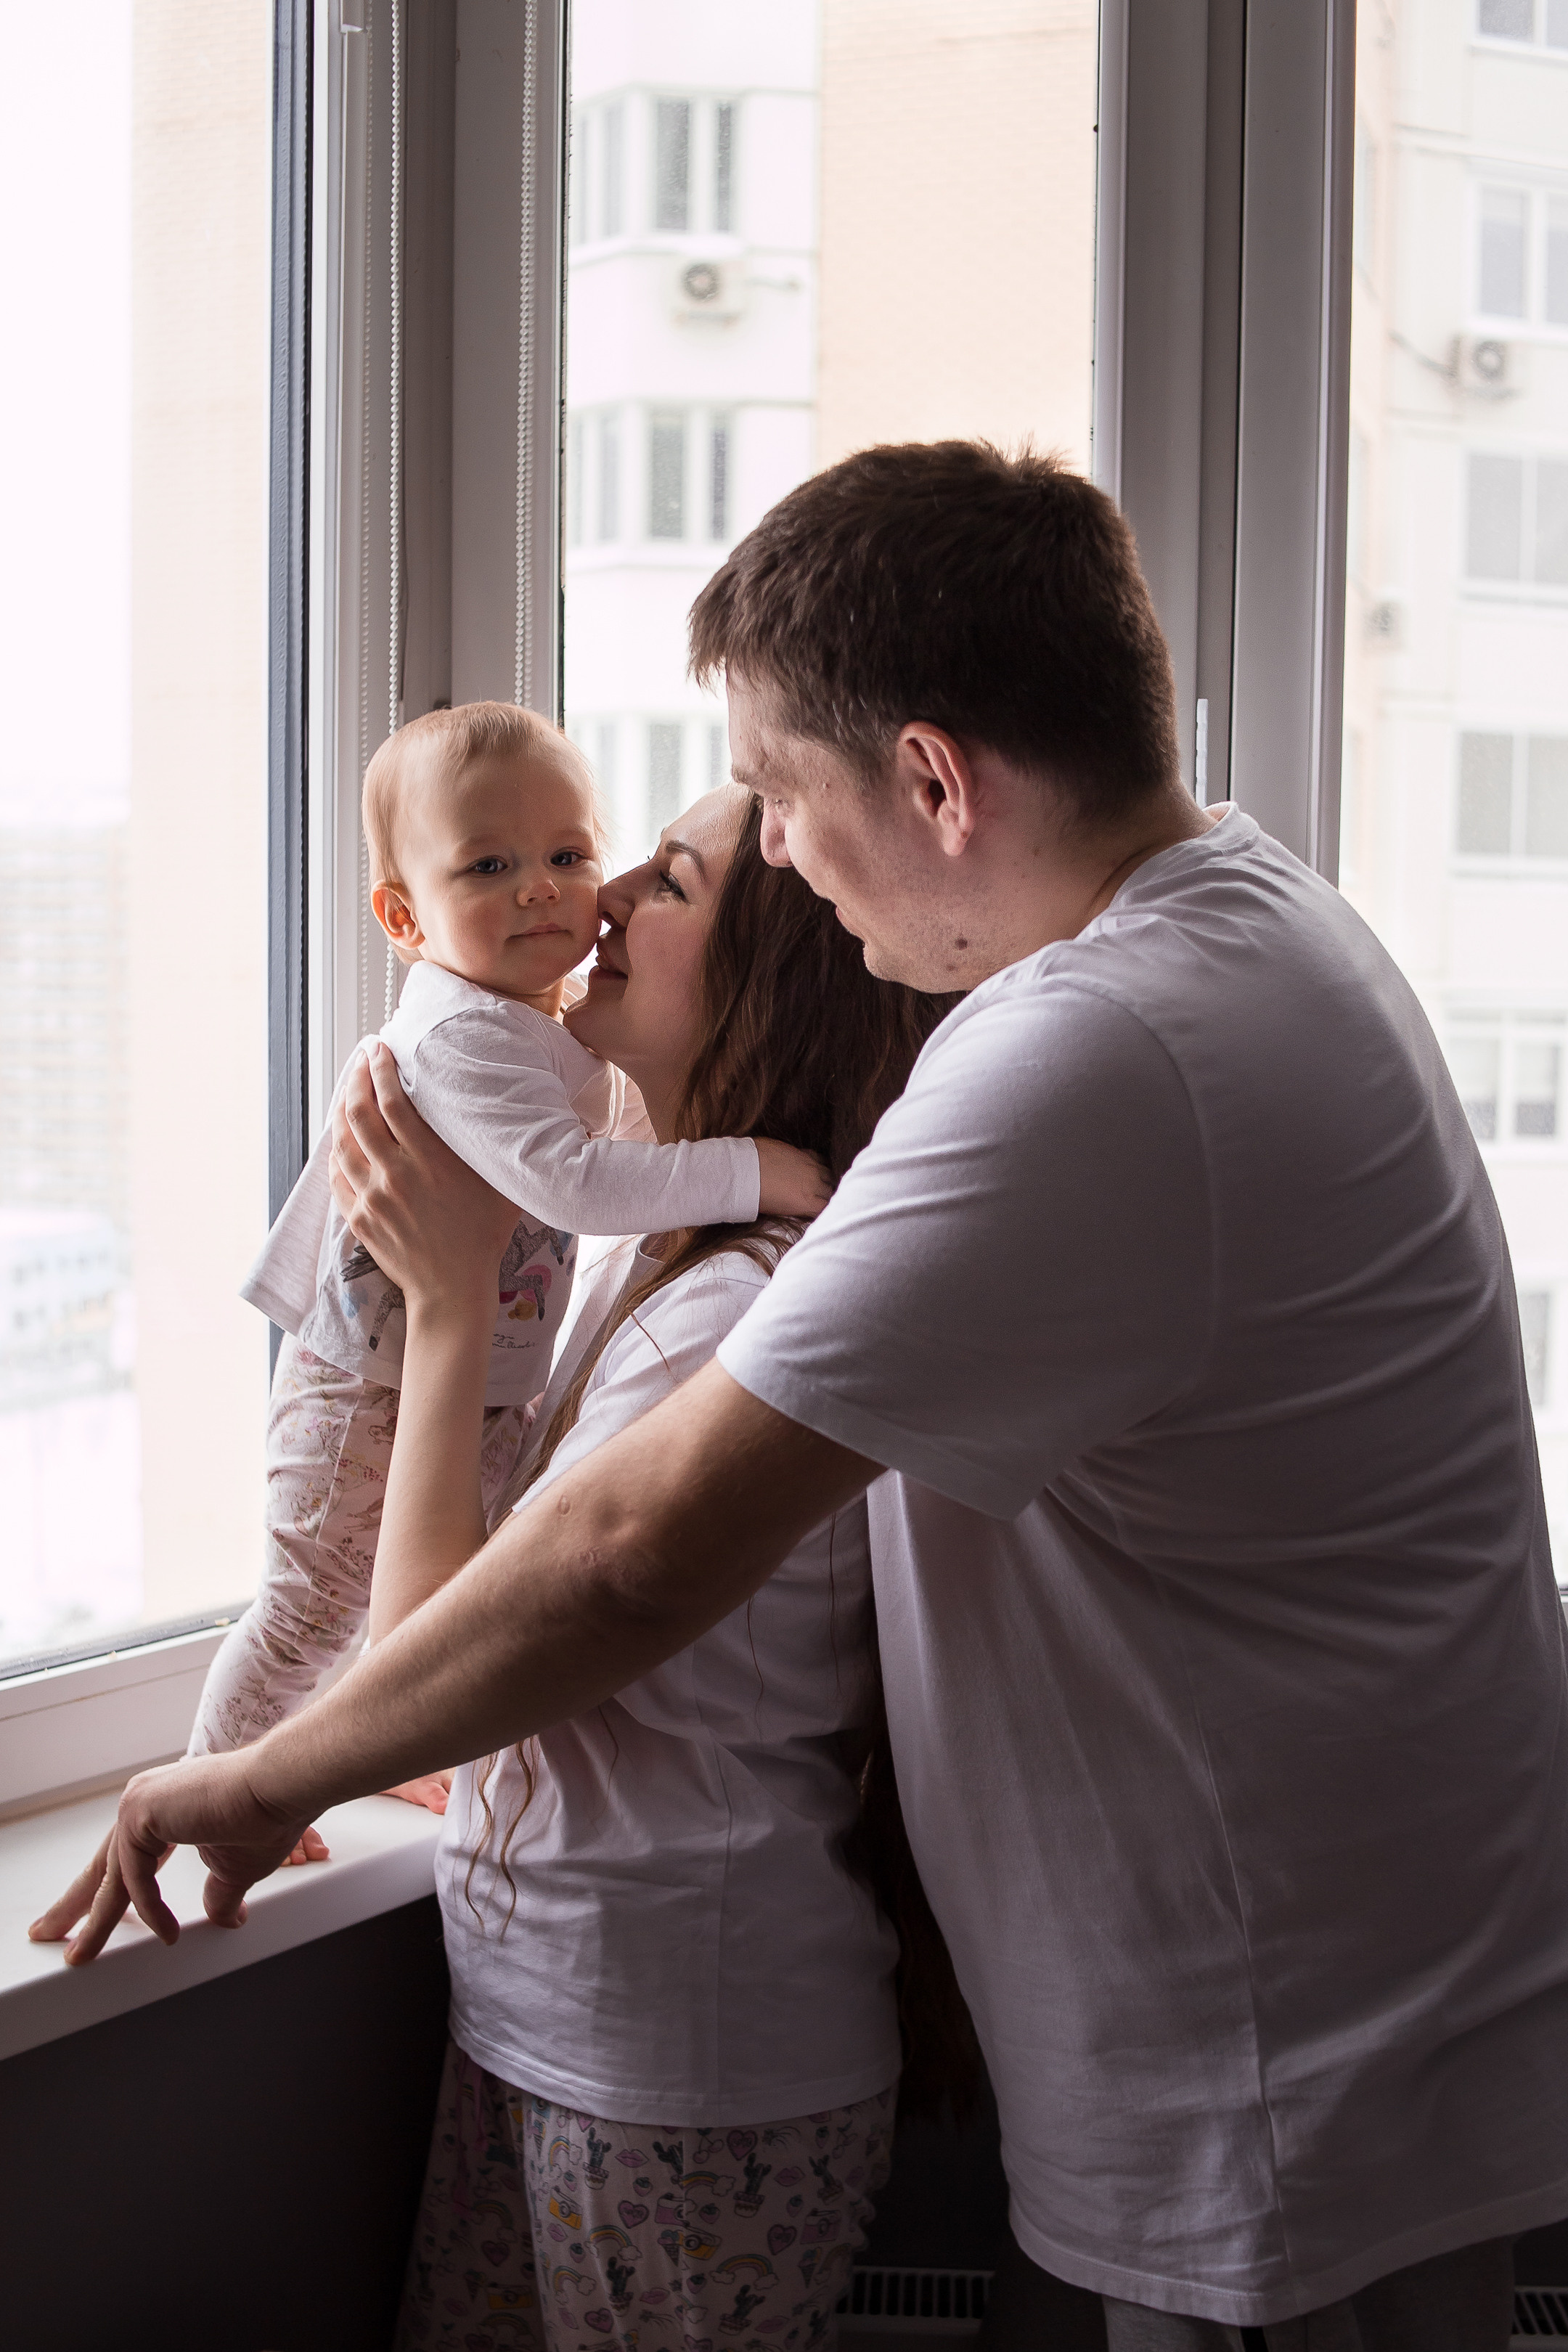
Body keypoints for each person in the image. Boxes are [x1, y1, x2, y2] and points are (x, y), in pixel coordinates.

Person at [39, 443, 1567, 2352]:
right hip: (1312, 2023)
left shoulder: (1095, 1050)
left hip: (1265, 2068)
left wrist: (262, 1777)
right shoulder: (1249, 920)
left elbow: (631, 1552)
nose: (766, 845)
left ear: (931, 778)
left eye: (772, 789)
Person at [362, 785, 953, 2352]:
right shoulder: (644, 1244)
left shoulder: (728, 1314)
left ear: (769, 978)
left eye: (667, 881)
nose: (601, 892)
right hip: (562, 2012)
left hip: (684, 2064)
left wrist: (445, 1307)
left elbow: (431, 1664)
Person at [186, 701, 826, 1808]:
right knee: (306, 1601)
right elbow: (577, 1183)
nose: (559, 890)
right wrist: (757, 1167)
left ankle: (360, 1754)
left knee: (416, 1603)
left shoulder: (540, 1025)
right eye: (488, 865)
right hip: (363, 1389)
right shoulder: (462, 1030)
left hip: (472, 1384)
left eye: (572, 854)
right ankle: (226, 1776)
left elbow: (612, 1147)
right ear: (404, 917)